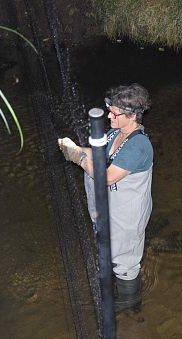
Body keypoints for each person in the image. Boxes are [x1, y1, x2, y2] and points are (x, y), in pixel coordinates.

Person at [57, 83, 153, 312]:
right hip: (112, 211)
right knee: (112, 250)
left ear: (131, 116)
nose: (109, 115)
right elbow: (99, 154)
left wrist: (78, 159)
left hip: (127, 217)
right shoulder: (116, 133)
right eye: (109, 109)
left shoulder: (139, 146)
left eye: (114, 113)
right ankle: (121, 290)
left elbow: (108, 177)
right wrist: (77, 149)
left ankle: (131, 302)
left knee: (126, 260)